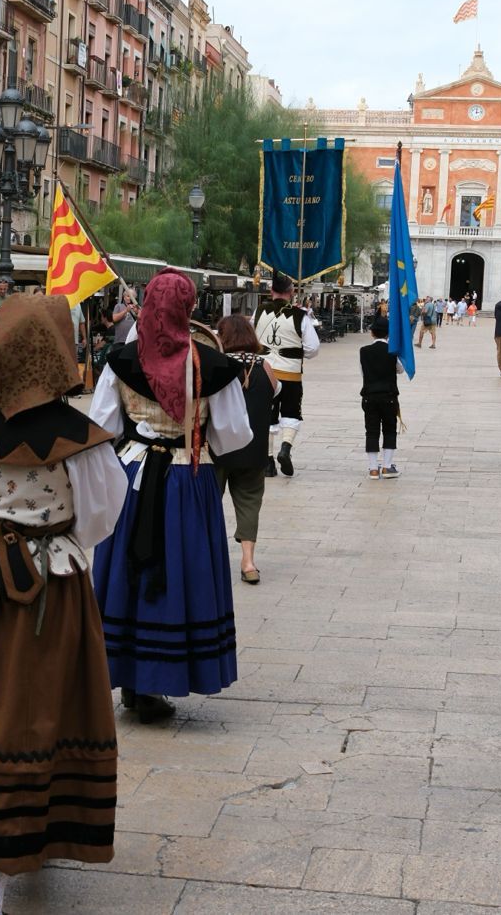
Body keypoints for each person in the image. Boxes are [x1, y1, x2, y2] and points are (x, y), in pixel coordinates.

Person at [0, 295, 128, 915]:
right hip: (52, 589)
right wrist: (45, 542)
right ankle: (32, 841)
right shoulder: (81, 439)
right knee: (49, 707)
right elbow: (100, 518)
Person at [90, 270, 251, 723]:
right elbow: (234, 438)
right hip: (187, 476)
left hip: (134, 473)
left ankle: (129, 676)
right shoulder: (213, 366)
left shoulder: (121, 361)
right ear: (189, 308)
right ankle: (159, 678)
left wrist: (139, 431)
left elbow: (101, 426)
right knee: (180, 568)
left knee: (128, 571)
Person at [212, 314, 277, 585]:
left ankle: (209, 559)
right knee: (250, 503)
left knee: (209, 503)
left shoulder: (217, 365)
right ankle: (248, 562)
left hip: (218, 448)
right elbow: (274, 394)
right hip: (254, 448)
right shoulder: (266, 367)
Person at [253, 273, 319, 476]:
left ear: (271, 291)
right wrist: (297, 352)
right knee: (291, 412)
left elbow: (250, 337)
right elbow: (313, 348)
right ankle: (286, 448)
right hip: (290, 375)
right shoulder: (301, 316)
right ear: (291, 293)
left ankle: (268, 462)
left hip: (265, 373)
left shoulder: (259, 311)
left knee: (267, 416)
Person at [359, 316, 400, 479]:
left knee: (371, 430)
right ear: (388, 334)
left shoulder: (364, 351)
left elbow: (363, 372)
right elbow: (401, 369)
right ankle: (387, 467)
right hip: (389, 396)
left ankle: (373, 468)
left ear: (372, 333)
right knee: (389, 429)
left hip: (370, 396)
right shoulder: (393, 351)